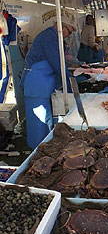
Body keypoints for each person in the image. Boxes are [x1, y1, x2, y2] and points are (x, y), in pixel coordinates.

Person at [22, 15, 76, 149]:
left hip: (43, 83)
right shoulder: (48, 38)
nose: (68, 35)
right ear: (61, 26)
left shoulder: (54, 37)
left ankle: (45, 147)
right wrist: (70, 83)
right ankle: (36, 152)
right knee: (39, 122)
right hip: (36, 84)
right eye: (69, 31)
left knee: (46, 120)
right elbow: (57, 64)